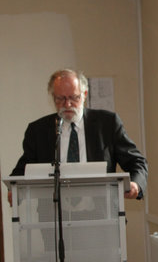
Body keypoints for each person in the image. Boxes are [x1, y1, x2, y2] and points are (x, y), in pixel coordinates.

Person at [10, 69, 148, 201]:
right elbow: (24, 170)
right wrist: (13, 190)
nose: (68, 104)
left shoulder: (107, 124)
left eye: (73, 97)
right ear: (53, 97)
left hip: (102, 213)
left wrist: (135, 184)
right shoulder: (38, 130)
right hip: (53, 215)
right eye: (60, 98)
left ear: (85, 94)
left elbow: (136, 162)